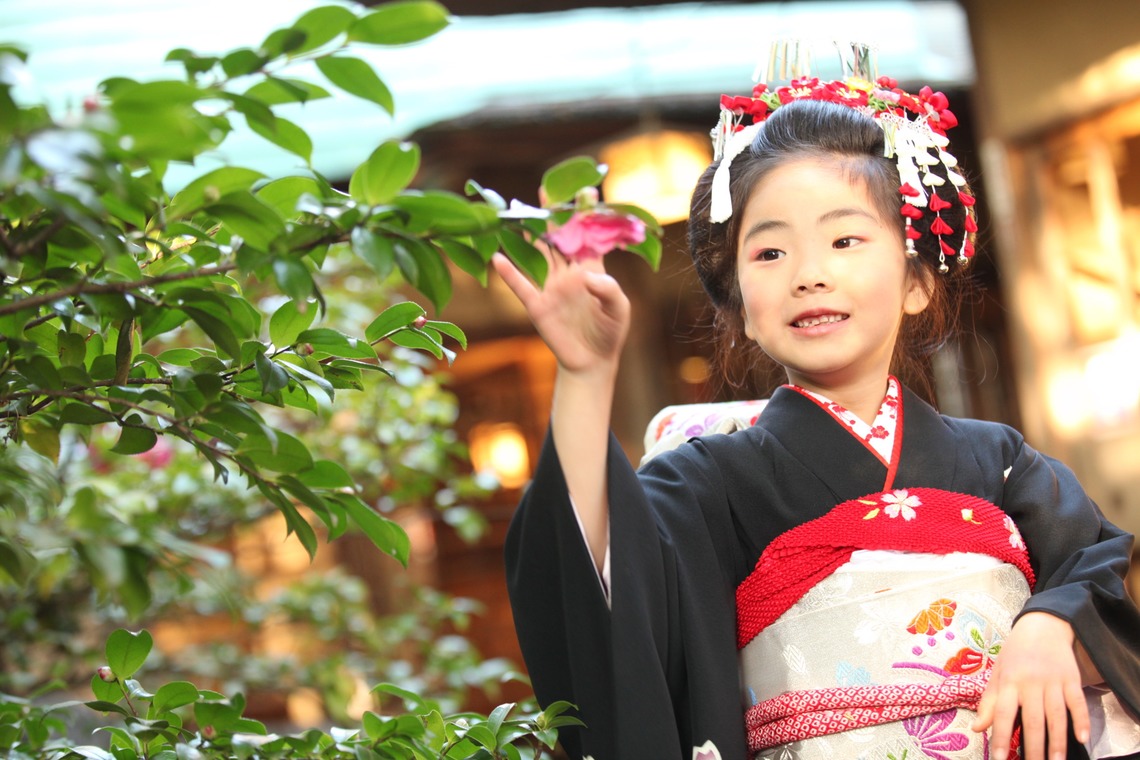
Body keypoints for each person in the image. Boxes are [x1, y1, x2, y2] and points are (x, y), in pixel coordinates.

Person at [492, 71, 1140, 760]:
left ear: (917, 281)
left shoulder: (1001, 461)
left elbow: (1095, 584)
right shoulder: (708, 484)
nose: (808, 274)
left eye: (845, 240)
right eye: (770, 252)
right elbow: (601, 588)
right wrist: (586, 378)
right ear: (741, 308)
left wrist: (1050, 627)